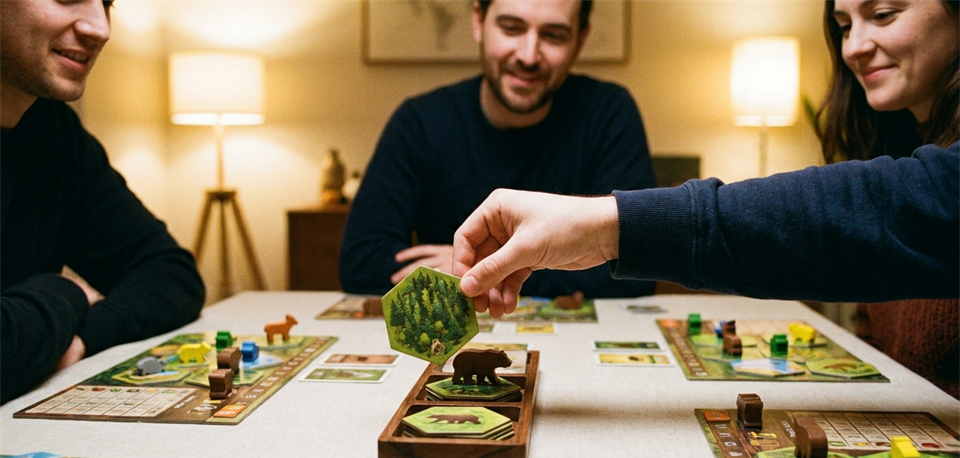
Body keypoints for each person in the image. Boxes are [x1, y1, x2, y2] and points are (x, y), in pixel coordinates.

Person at [453, 0, 959, 397]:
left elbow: (893, 206)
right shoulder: (892, 144)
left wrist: (604, 224)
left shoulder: (605, 109)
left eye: (884, 15)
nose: (854, 47)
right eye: (843, 25)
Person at [339, 0, 656, 299]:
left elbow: (641, 267)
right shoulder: (420, 122)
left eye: (554, 36)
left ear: (580, 40)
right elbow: (362, 264)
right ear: (478, 21)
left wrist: (482, 266)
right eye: (511, 28)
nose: (529, 56)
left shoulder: (610, 113)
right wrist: (536, 268)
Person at [0, 0, 206, 405]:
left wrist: (81, 337)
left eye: (108, 3)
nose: (102, 28)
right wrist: (67, 294)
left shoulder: (54, 130)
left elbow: (171, 273)